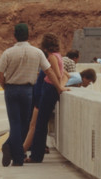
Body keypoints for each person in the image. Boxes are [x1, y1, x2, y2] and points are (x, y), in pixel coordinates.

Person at [0, 24, 46, 168]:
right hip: (27, 90)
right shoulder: (37, 52)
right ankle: (15, 155)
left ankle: (13, 152)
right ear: (28, 35)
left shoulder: (8, 53)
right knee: (24, 124)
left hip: (11, 89)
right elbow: (47, 69)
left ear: (15, 35)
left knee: (15, 124)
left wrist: (6, 87)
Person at [22, 33, 70, 162]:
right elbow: (64, 75)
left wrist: (59, 88)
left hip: (49, 90)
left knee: (41, 124)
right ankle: (34, 154)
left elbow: (57, 75)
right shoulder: (58, 56)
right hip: (49, 90)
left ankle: (36, 156)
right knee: (40, 124)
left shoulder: (52, 57)